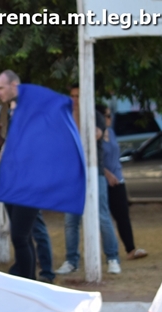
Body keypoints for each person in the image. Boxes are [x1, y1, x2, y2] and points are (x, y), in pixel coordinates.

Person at [0, 71, 55, 282]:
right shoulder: (12, 112)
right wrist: (0, 141)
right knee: (22, 236)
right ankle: (28, 279)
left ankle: (31, 279)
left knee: (20, 236)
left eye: (1, 88)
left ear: (14, 85)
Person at [54, 85, 122, 275]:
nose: (75, 99)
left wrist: (78, 115)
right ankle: (71, 260)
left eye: (78, 96)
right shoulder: (66, 116)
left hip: (94, 172)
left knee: (102, 216)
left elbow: (91, 136)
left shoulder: (96, 116)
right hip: (71, 174)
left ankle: (112, 258)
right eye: (72, 96)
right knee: (71, 220)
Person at [99, 104, 147, 261]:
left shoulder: (111, 132)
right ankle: (108, 252)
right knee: (104, 218)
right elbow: (94, 159)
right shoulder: (96, 136)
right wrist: (107, 175)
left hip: (118, 179)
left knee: (123, 215)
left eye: (110, 115)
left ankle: (130, 249)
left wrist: (117, 174)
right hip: (103, 180)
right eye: (107, 116)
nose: (110, 118)